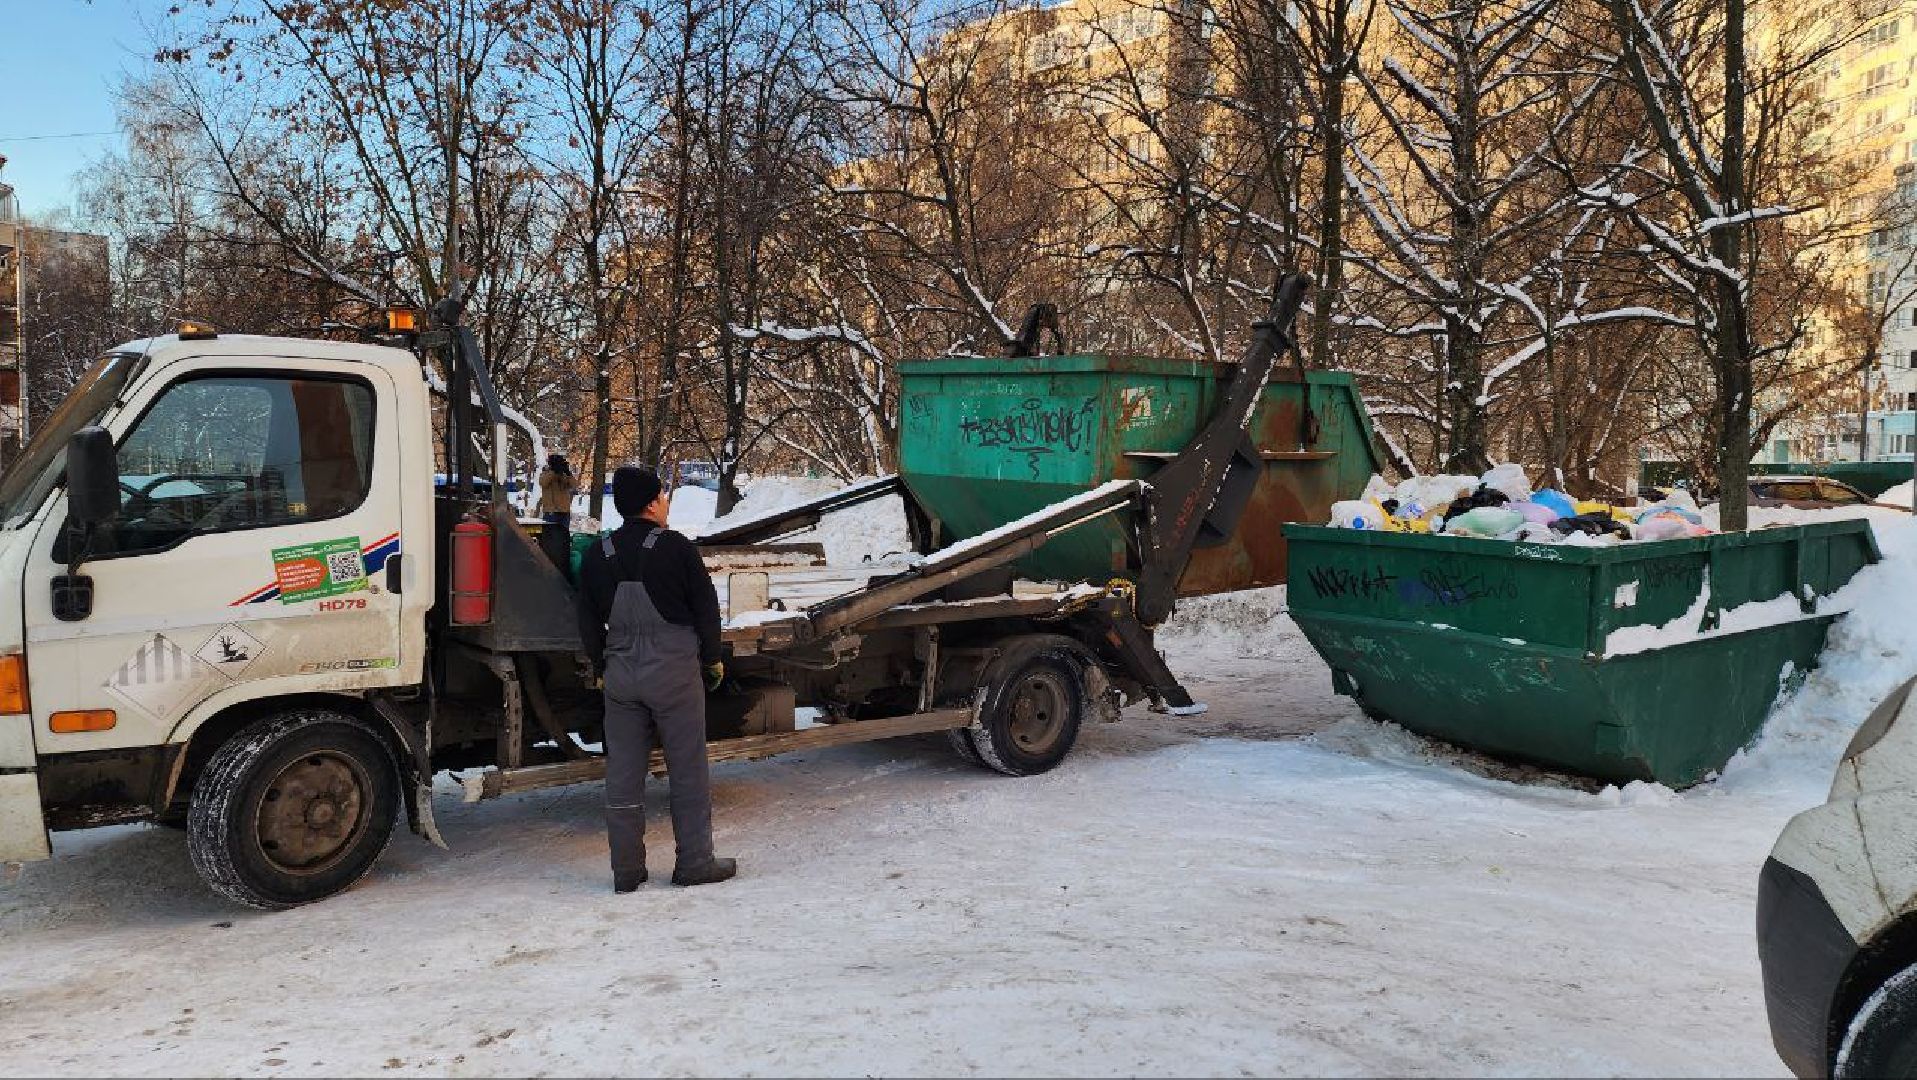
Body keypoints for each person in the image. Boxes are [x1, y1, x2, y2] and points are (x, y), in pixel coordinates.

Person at [576, 466, 735, 892]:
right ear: (650, 503)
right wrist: (712, 660)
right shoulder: (676, 548)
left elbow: (587, 619)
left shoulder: (597, 554)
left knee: (623, 775)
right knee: (687, 770)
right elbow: (706, 608)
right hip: (674, 673)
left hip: (622, 673)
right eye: (663, 497)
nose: (666, 503)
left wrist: (599, 667)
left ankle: (626, 871)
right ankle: (695, 863)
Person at [537, 454, 577, 580]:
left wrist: (567, 472)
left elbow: (574, 485)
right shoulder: (546, 473)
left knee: (563, 541)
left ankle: (563, 566)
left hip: (564, 512)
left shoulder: (563, 475)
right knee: (551, 541)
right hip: (551, 512)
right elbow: (543, 482)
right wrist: (554, 471)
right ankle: (551, 566)